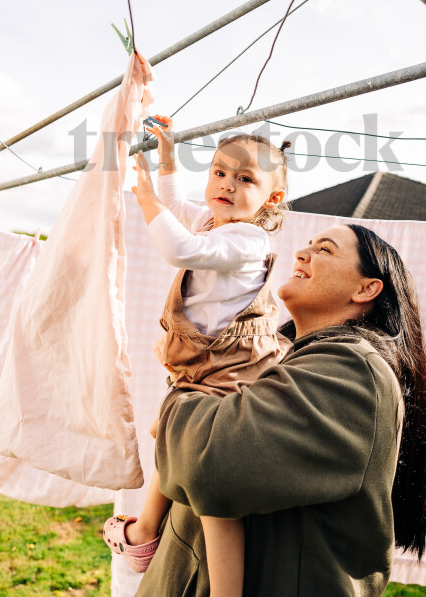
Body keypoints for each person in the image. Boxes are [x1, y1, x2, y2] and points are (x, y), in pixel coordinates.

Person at [137, 221, 426, 597]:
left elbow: (210, 463)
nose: (302, 252)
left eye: (325, 250)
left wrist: (181, 395)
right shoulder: (280, 356)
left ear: (366, 288)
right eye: (309, 243)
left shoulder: (352, 370)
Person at [103, 117, 293, 597]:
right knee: (172, 438)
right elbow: (175, 207)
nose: (226, 184)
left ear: (270, 198)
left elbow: (179, 247)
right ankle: (146, 530)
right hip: (201, 370)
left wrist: (143, 199)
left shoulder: (248, 240)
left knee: (214, 499)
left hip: (231, 376)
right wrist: (168, 161)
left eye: (245, 178)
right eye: (219, 172)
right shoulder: (214, 221)